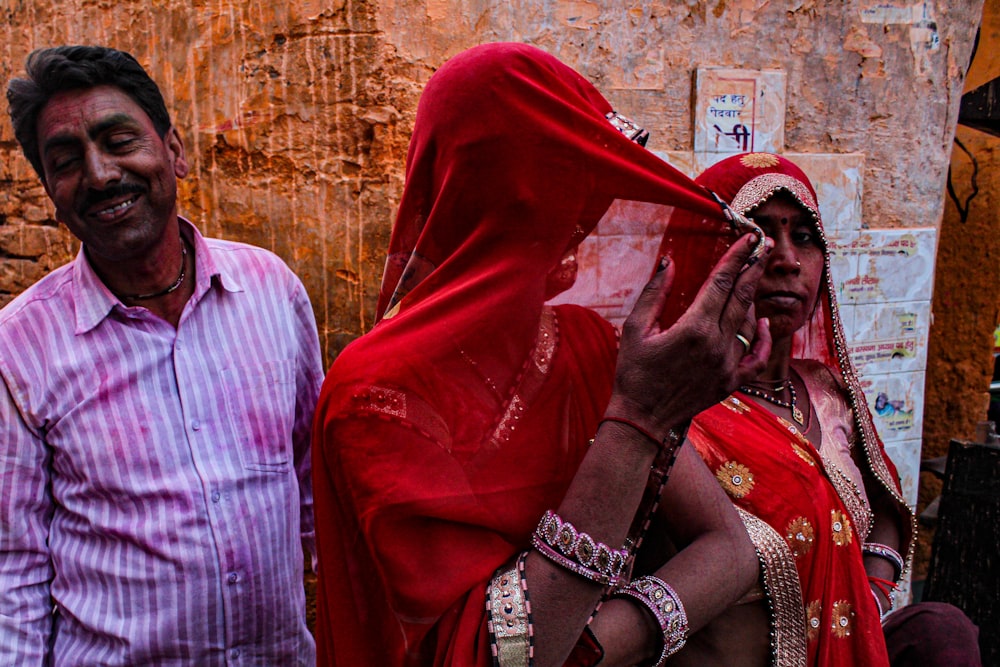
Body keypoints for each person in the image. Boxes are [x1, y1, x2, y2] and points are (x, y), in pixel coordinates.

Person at [311, 42, 776, 667]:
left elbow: (729, 548)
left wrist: (595, 645)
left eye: (585, 182)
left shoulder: (580, 343)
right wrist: (637, 423)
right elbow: (484, 658)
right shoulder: (376, 395)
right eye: (556, 175)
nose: (581, 209)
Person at [0, 46, 323, 665]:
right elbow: (12, 574)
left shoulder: (272, 289)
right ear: (50, 191)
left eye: (119, 141)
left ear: (173, 151)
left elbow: (314, 492)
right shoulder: (20, 350)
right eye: (66, 162)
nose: (99, 175)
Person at [656, 152, 980, 666]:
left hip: (850, 653)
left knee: (942, 631)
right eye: (757, 235)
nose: (786, 258)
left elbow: (885, 507)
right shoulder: (672, 405)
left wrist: (870, 593)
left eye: (803, 237)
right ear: (708, 257)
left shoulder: (828, 391)